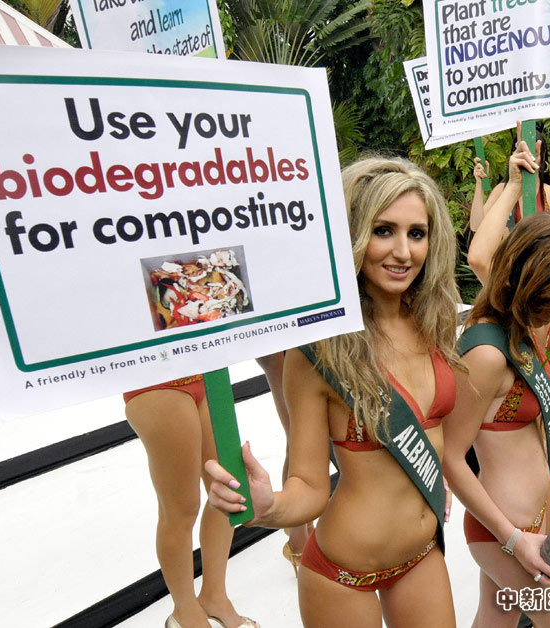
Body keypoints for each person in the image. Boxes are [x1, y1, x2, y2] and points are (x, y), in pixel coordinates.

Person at [205, 157, 461, 628]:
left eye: (417, 233)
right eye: (383, 231)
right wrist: (270, 507)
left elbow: (436, 432)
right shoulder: (319, 352)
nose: (403, 251)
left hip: (422, 555)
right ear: (352, 235)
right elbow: (309, 487)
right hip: (343, 575)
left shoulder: (435, 322)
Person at [446, 213, 550, 628]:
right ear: (532, 284)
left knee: (494, 621)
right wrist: (513, 540)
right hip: (504, 532)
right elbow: (451, 457)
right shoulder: (487, 353)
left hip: (526, 524)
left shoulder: (519, 327)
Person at [124, 377, 260, 628]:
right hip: (156, 380)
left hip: (207, 373)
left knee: (229, 490)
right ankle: (186, 612)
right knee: (181, 509)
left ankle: (215, 596)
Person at [254, 352, 315, 573]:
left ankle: (304, 529)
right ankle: (298, 543)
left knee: (305, 438)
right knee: (298, 439)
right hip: (277, 345)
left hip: (303, 341)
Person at [470, 123, 550, 232]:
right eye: (521, 152)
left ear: (542, 158)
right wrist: (480, 184)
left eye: (533, 153)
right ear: (513, 155)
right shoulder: (501, 191)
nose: (527, 159)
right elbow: (476, 226)